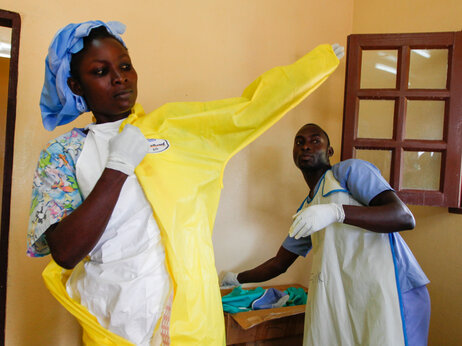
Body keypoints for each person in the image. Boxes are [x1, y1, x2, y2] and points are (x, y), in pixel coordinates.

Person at [27, 20, 344, 345]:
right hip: (112, 319)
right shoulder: (63, 155)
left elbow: (248, 111)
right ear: (76, 86)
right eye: (100, 71)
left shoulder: (174, 130)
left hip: (188, 319)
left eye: (125, 66)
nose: (119, 77)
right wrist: (117, 167)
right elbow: (64, 251)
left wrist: (312, 68)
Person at [221, 123, 431, 346]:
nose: (306, 147)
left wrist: (336, 211)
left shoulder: (349, 173)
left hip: (396, 289)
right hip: (361, 297)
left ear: (329, 151)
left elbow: (403, 217)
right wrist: (236, 278)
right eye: (299, 142)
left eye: (315, 141)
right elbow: (279, 263)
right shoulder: (308, 210)